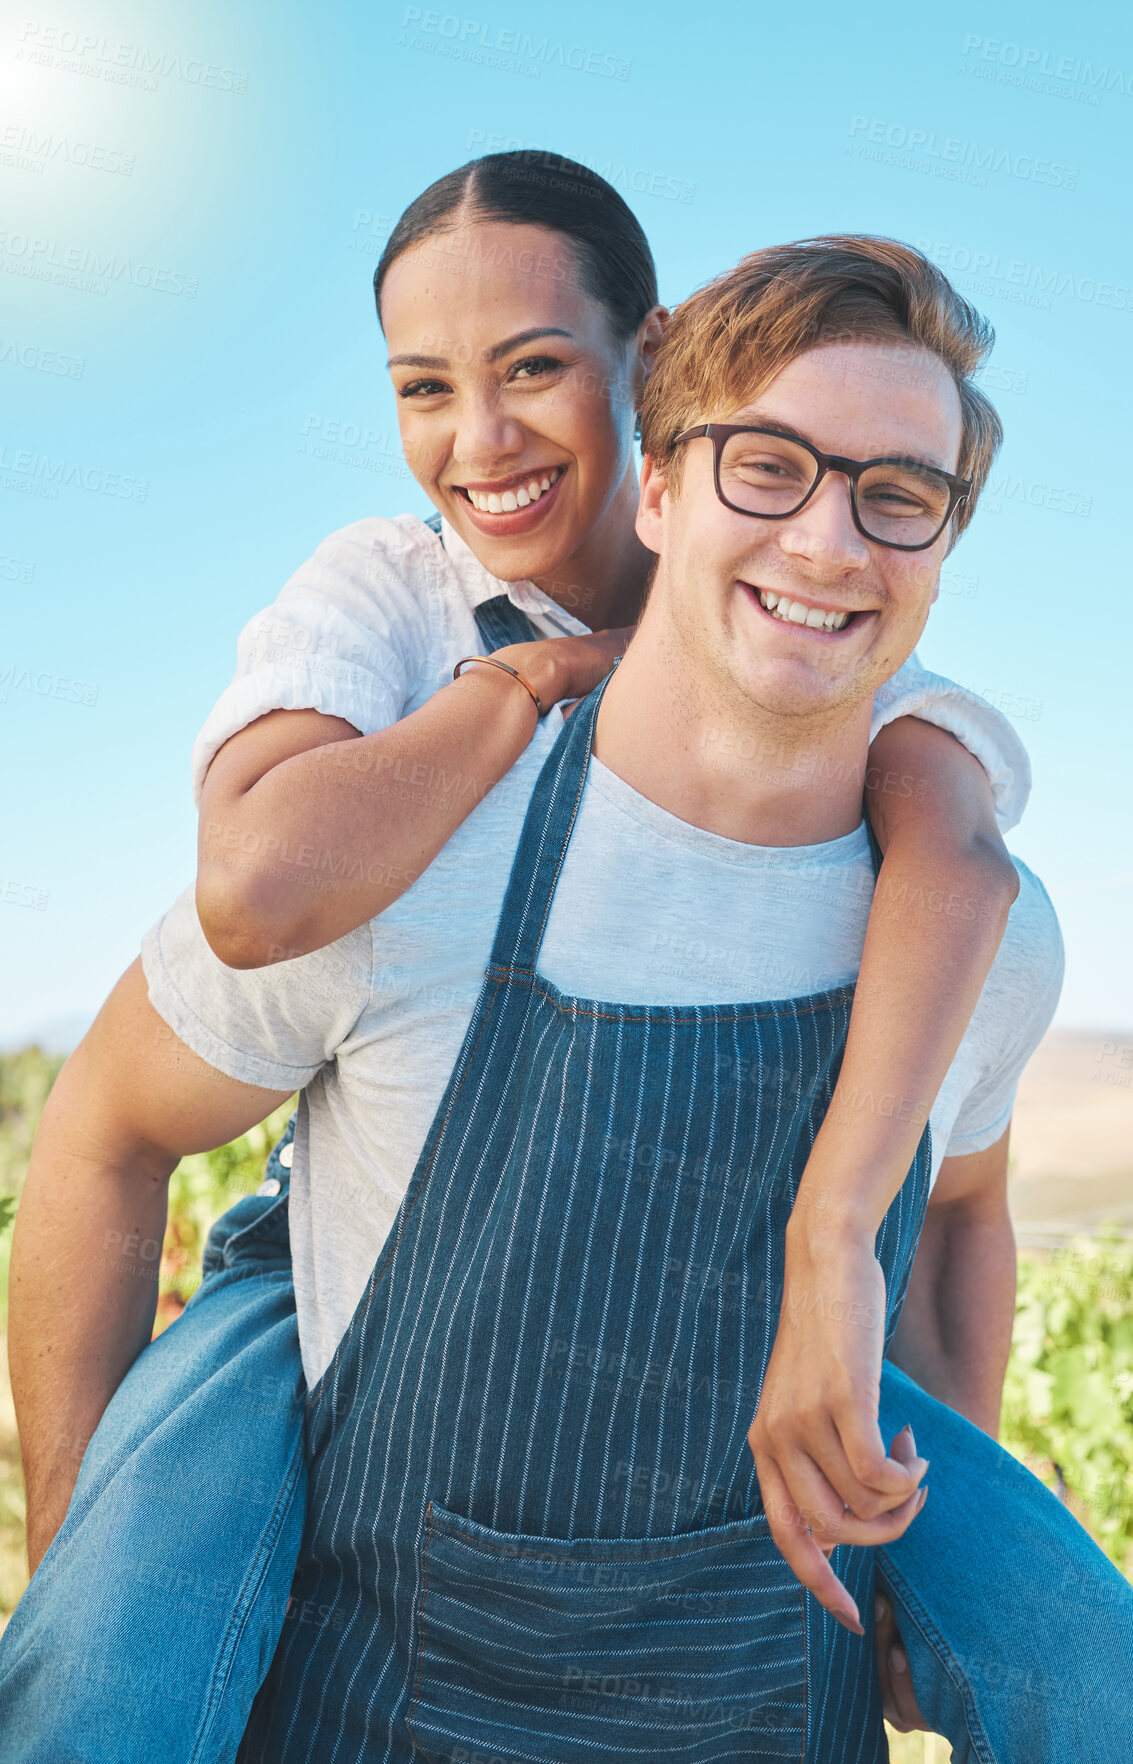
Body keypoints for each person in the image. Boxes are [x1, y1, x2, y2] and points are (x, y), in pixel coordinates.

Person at [1, 179, 1123, 1759]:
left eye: (894, 493)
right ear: (672, 481)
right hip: (361, 1575)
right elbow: (229, 930)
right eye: (768, 464)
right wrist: (518, 685)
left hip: (758, 1697)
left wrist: (896, 1509)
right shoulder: (405, 777)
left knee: (1096, 1681)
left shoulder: (949, 875)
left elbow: (955, 1196)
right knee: (102, 1683)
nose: (824, 532)